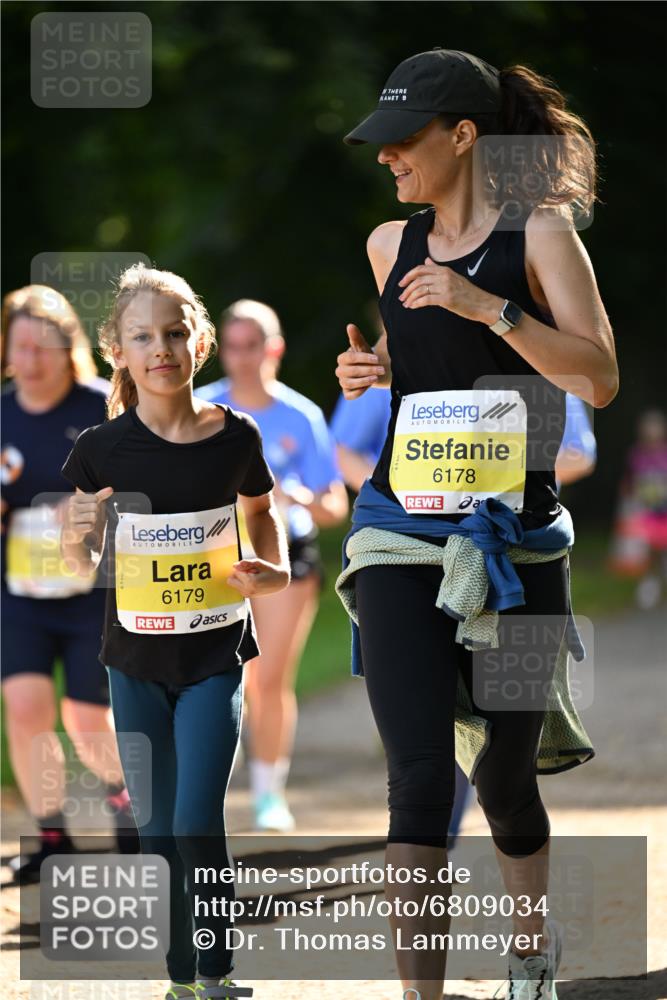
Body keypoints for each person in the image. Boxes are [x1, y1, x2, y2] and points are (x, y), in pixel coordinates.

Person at [334, 48, 618, 1000]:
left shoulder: (539, 232)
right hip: (398, 529)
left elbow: (597, 377)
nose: (386, 157)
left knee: (503, 775)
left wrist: (489, 307)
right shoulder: (389, 244)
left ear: (462, 136)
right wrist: (374, 368)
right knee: (417, 776)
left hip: (518, 538)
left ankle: (530, 950)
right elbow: (417, 351)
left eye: (401, 141)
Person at [61, 264, 290, 1000]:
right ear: (117, 353)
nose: (160, 348)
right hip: (132, 660)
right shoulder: (100, 448)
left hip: (214, 654)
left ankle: (216, 973)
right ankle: (180, 978)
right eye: (141, 337)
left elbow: (261, 512)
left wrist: (275, 569)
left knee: (195, 818)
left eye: (173, 333)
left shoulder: (235, 436)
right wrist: (76, 533)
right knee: (158, 828)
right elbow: (80, 560)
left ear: (199, 342)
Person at [1, 284, 137, 885]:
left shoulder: (99, 408)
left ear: (68, 348)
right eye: (20, 347)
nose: (31, 360)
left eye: (43, 347)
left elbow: (140, 487)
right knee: (26, 708)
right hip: (19, 593)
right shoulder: (3, 414)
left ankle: (126, 803)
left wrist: (86, 510)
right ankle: (50, 837)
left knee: (86, 716)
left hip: (94, 593)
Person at [196, 299, 348, 831]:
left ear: (274, 349)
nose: (242, 359)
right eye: (232, 347)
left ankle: (268, 795)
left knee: (269, 677)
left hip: (286, 553)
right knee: (213, 676)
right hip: (213, 553)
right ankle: (210, 789)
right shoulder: (202, 407)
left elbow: (335, 505)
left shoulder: (300, 416)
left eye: (252, 346)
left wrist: (296, 496)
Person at [609, 408, 667, 608]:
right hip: (644, 510)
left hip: (664, 511)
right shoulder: (636, 454)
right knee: (646, 550)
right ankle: (649, 585)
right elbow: (629, 481)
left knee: (662, 549)